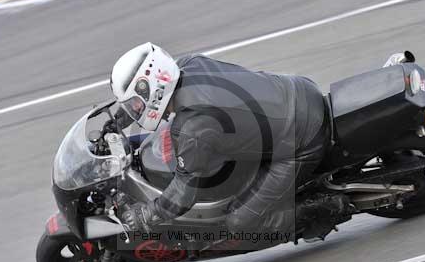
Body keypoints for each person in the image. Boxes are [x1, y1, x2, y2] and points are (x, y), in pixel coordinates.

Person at [110, 42, 334, 241]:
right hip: (298, 89)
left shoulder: (193, 128)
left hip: (303, 141)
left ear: (155, 89)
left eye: (135, 104)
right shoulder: (192, 63)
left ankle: (326, 208)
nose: (135, 109)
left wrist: (148, 214)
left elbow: (183, 194)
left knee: (241, 222)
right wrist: (121, 117)